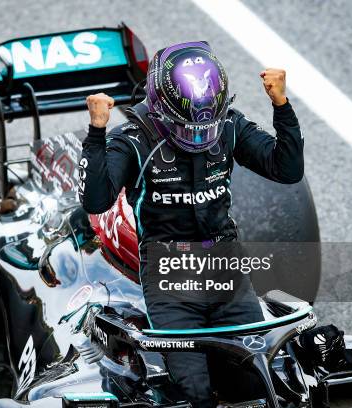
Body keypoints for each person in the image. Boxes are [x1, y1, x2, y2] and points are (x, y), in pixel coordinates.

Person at [78, 42, 304, 407]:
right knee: (192, 391)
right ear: (162, 107)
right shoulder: (134, 139)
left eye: (207, 126)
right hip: (168, 274)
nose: (199, 136)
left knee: (254, 387)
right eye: (189, 126)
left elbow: (287, 168)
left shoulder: (229, 125)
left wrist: (282, 105)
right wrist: (97, 133)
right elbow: (96, 201)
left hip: (225, 264)